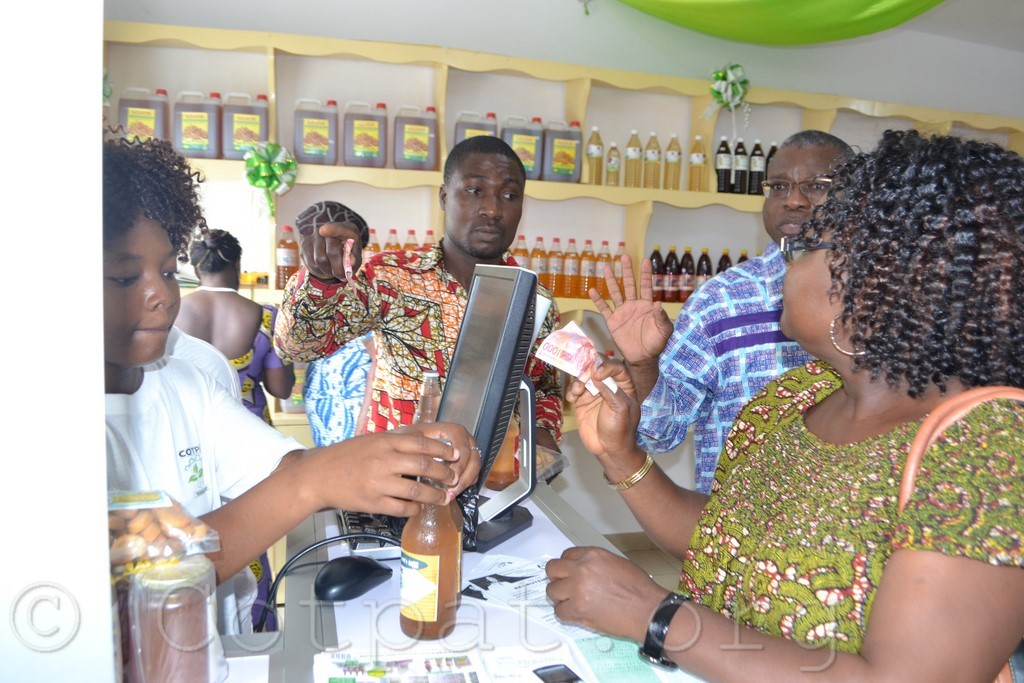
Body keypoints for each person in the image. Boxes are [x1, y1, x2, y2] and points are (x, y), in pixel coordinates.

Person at [546, 130, 1024, 680]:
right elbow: (726, 537)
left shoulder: (987, 447)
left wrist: (657, 617)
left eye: (804, 249)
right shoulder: (794, 397)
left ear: (875, 279)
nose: (783, 270)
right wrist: (620, 457)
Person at [103, 135, 479, 634]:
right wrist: (312, 482)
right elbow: (131, 582)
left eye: (170, 271)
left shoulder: (188, 381)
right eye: (126, 278)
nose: (162, 296)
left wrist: (402, 451)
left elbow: (285, 467)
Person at [592, 130, 853, 493]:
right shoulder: (720, 301)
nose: (793, 200)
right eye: (778, 187)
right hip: (735, 523)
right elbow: (657, 434)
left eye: (816, 186)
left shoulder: (883, 297)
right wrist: (642, 365)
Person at [274, 138, 563, 454]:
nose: (492, 210)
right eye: (475, 190)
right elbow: (296, 346)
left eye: (509, 196)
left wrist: (542, 439)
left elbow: (542, 389)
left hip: (494, 478)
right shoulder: (391, 277)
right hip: (396, 476)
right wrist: (320, 282)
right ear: (444, 197)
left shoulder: (534, 298)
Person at [176, 228, 295, 424]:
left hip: (190, 428)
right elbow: (281, 389)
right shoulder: (267, 317)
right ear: (237, 265)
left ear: (197, 270)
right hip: (249, 429)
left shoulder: (171, 313)